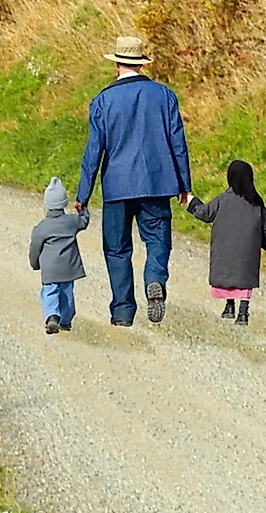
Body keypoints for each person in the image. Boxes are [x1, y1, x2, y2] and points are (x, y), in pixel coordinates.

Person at [75, 34, 192, 326]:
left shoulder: (103, 100)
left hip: (116, 186)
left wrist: (83, 194)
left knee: (117, 249)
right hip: (156, 183)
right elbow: (178, 141)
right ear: (141, 64)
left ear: (116, 64)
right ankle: (154, 280)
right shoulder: (164, 95)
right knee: (157, 239)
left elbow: (93, 151)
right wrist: (184, 184)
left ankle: (123, 313)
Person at [188, 160, 266, 326]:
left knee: (228, 274)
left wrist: (191, 201)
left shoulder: (223, 200)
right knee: (244, 278)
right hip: (247, 255)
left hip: (225, 251)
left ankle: (229, 306)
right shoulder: (257, 203)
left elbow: (205, 213)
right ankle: (243, 312)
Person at [27, 177, 93, 334]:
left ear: (46, 204)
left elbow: (35, 248)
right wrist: (83, 210)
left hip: (50, 269)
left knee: (50, 292)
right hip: (68, 268)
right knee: (67, 295)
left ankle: (52, 317)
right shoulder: (71, 222)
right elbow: (84, 222)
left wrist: (35, 263)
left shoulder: (41, 228)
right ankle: (65, 321)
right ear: (64, 203)